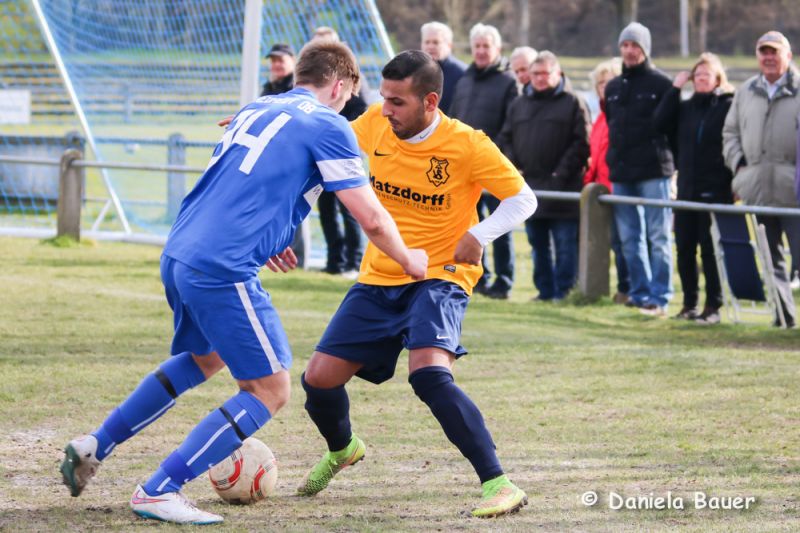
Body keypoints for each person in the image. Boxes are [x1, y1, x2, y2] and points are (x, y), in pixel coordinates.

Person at [59, 41, 428, 525]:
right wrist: (409, 259)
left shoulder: (258, 106)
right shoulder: (328, 123)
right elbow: (372, 218)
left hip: (181, 251)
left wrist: (268, 234)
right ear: (340, 85)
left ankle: (94, 445)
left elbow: (245, 178)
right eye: (348, 98)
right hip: (221, 266)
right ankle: (160, 488)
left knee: (206, 357)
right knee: (269, 389)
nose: (345, 107)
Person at [296, 50, 536, 518]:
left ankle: (499, 483)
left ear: (430, 101)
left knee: (428, 374)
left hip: (441, 275)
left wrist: (479, 234)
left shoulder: (467, 144)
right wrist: (267, 124)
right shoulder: (375, 123)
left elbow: (522, 199)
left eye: (397, 102)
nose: (385, 109)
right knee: (318, 381)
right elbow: (320, 141)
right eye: (383, 98)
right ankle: (343, 449)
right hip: (379, 275)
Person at [723, 30, 800, 328]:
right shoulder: (745, 91)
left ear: (788, 55)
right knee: (770, 259)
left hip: (793, 191)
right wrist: (740, 166)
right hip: (757, 190)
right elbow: (730, 132)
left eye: (774, 52)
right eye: (763, 52)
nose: (768, 57)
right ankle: (784, 317)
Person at [499, 51, 590, 301]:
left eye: (545, 73)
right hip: (530, 188)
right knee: (537, 245)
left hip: (564, 189)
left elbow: (581, 143)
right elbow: (506, 138)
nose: (540, 78)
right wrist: (514, 168)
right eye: (535, 73)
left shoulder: (573, 102)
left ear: (557, 73)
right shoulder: (519, 104)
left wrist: (560, 173)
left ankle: (564, 291)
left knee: (565, 245)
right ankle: (544, 291)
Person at [654, 53, 734, 325]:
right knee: (685, 248)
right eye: (696, 75)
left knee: (710, 250)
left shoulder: (727, 106)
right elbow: (659, 123)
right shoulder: (686, 108)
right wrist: (675, 88)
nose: (701, 79)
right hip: (687, 189)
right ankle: (690, 303)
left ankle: (713, 305)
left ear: (717, 79)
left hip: (715, 190)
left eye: (706, 75)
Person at [605, 22, 675, 317]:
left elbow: (671, 128)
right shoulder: (613, 87)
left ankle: (660, 296)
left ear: (645, 49)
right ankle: (639, 292)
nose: (629, 51)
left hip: (654, 171)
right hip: (622, 173)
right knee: (630, 239)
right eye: (625, 45)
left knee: (659, 237)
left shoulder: (662, 84)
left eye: (635, 45)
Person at [450, 23, 518, 299]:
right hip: (463, 167)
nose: (480, 51)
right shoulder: (465, 79)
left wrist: (493, 155)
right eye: (476, 46)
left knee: (499, 225)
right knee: (469, 222)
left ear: (497, 49)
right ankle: (477, 275)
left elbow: (512, 124)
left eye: (486, 46)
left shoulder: (508, 81)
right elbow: (454, 119)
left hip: (493, 164)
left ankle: (503, 281)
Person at [310, 26, 367, 276]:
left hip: (342, 155)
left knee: (351, 208)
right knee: (326, 211)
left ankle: (354, 261)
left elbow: (361, 110)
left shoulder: (350, 76)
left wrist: (338, 133)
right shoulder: (311, 81)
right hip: (319, 157)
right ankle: (334, 261)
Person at [583, 58, 629, 304]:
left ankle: (627, 288)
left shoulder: (620, 115)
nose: (605, 87)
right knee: (613, 243)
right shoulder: (600, 117)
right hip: (601, 189)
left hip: (617, 187)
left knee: (625, 242)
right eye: (600, 83)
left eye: (609, 82)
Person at [420, 21, 467, 114]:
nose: (430, 46)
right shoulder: (415, 70)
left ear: (449, 45)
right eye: (427, 42)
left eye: (436, 42)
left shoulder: (462, 73)